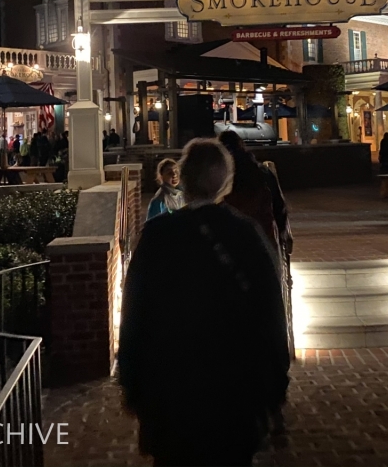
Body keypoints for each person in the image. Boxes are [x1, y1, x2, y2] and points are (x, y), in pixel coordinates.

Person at [118, 139, 290, 467]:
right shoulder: (245, 234)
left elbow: (135, 313)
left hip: (171, 396)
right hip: (234, 396)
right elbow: (270, 313)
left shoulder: (157, 236)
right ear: (225, 180)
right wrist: (273, 385)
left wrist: (132, 383)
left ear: (183, 177)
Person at [217, 131, 281, 259]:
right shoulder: (261, 172)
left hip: (229, 242)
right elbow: (278, 206)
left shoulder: (219, 176)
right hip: (262, 237)